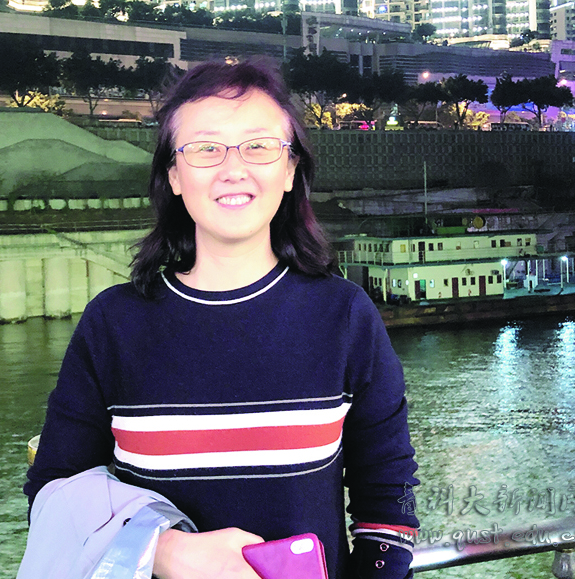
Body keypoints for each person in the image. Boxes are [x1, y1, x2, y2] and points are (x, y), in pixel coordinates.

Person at [24, 58, 419, 579]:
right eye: (206, 148)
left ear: (290, 170)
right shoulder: (113, 325)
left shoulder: (344, 316)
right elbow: (53, 490)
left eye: (258, 146)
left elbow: (387, 498)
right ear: (174, 175)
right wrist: (164, 550)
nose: (234, 168)